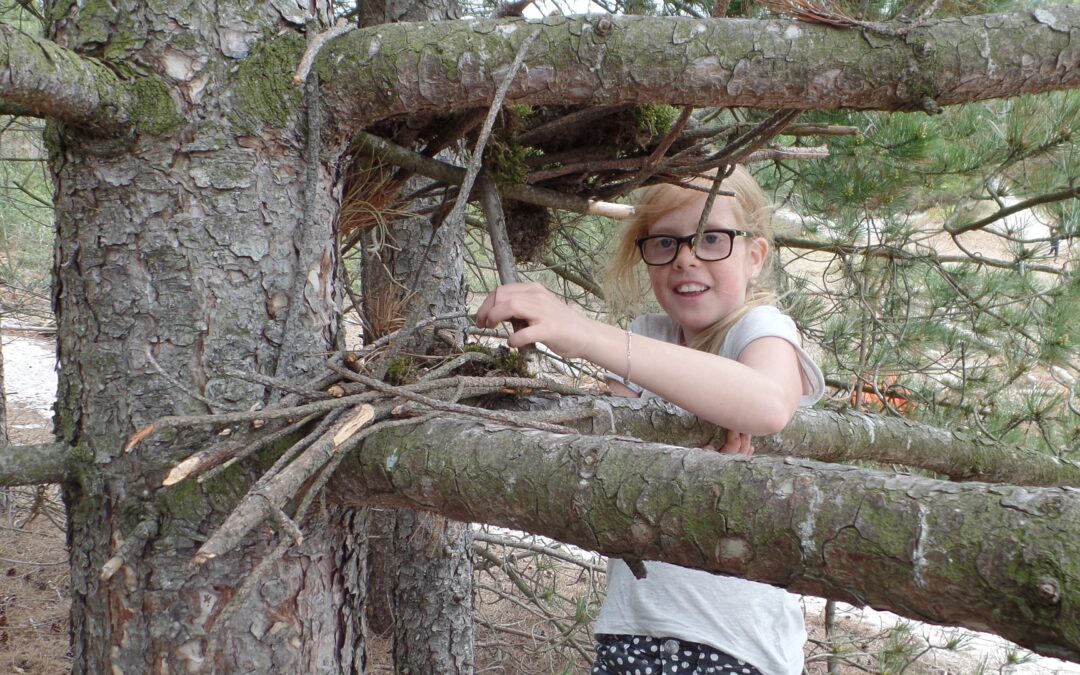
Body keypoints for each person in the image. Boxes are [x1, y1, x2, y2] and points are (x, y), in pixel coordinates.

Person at [476, 166, 825, 675]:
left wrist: (587, 333)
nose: (685, 258)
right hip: (632, 627)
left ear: (755, 255)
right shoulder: (650, 334)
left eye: (711, 238)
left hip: (733, 643)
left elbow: (768, 404)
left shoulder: (760, 328)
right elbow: (607, 457)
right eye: (664, 242)